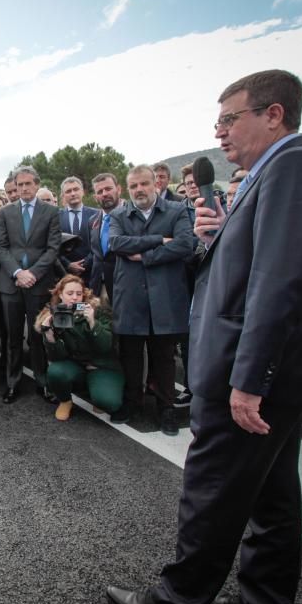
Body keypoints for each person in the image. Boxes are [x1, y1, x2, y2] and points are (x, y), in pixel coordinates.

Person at [107, 69, 302, 604]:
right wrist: (219, 240)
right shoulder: (285, 172)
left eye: (228, 119)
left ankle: (176, 602)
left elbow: (281, 280)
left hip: (254, 370)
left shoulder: (295, 167)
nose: (218, 133)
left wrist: (250, 379)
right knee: (273, 493)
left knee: (212, 487)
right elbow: (264, 265)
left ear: (273, 114)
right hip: (275, 369)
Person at [107, 165, 194, 434]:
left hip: (165, 297)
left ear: (155, 184)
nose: (139, 190)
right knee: (130, 355)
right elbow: (117, 243)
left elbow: (184, 245)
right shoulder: (120, 214)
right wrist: (159, 240)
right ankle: (132, 401)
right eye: (133, 186)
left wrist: (145, 256)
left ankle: (166, 407)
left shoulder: (176, 210)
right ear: (128, 188)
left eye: (144, 184)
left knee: (164, 357)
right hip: (131, 296)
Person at [0, 165, 62, 405]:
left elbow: (53, 248)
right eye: (19, 185)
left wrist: (32, 273)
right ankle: (12, 384)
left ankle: (43, 383)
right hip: (11, 284)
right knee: (12, 337)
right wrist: (17, 272)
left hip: (38, 283)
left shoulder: (51, 212)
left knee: (37, 336)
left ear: (36, 184)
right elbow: (1, 247)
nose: (23, 188)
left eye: (27, 184)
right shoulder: (5, 212)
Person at [34, 275, 123, 421]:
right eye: (70, 294)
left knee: (109, 403)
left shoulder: (98, 310)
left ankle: (98, 391)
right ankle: (65, 401)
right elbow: (56, 358)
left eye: (79, 293)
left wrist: (92, 322)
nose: (75, 298)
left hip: (101, 364)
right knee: (56, 371)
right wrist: (49, 334)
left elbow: (105, 347)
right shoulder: (54, 314)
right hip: (76, 364)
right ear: (60, 294)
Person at [88, 172, 125, 303]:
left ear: (119, 189)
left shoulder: (133, 215)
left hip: (126, 289)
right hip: (99, 289)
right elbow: (95, 255)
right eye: (99, 191)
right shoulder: (92, 221)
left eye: (108, 189)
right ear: (95, 197)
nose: (104, 194)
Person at [58, 176, 98, 279]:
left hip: (92, 273)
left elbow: (99, 244)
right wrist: (68, 265)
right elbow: (53, 246)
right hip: (65, 275)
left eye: (76, 189)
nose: (73, 193)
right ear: (63, 195)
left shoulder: (97, 215)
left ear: (83, 192)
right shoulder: (56, 217)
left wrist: (84, 264)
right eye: (68, 191)